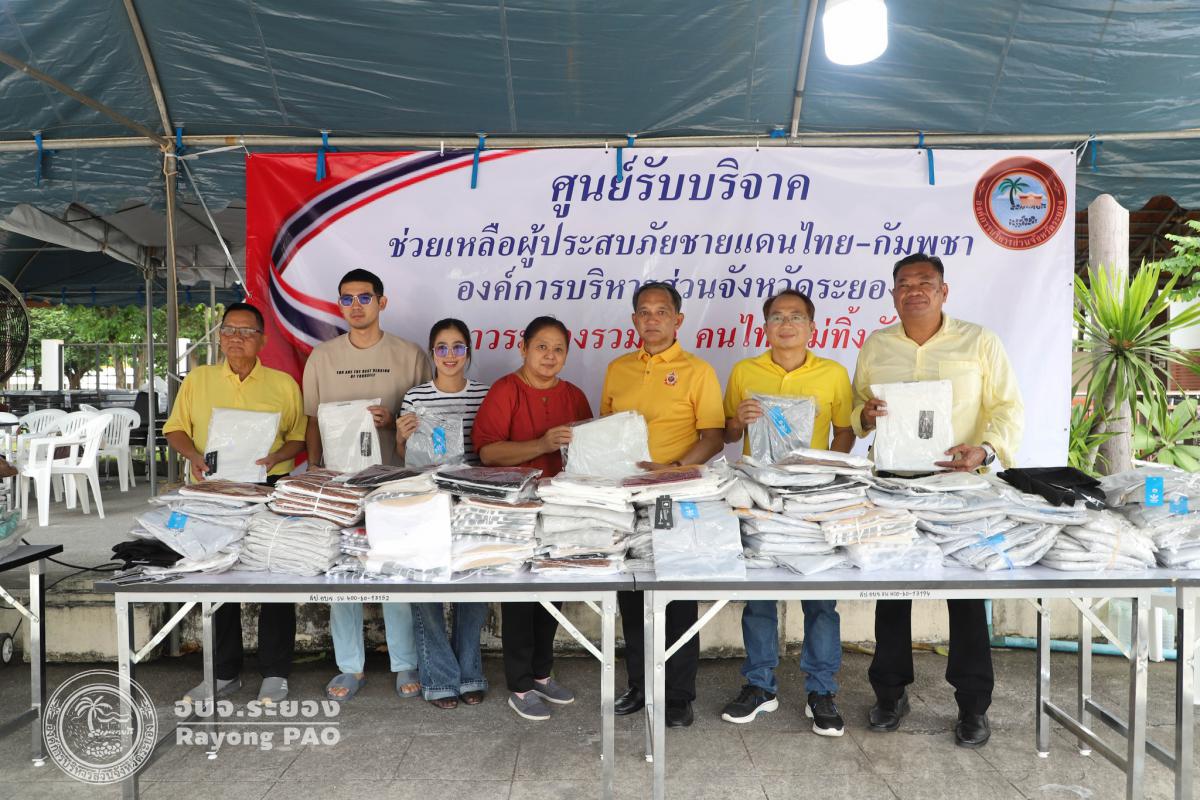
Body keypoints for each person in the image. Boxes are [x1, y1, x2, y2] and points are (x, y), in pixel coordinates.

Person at [853, 253, 1024, 748]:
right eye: (904, 284)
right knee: (892, 592)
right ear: (893, 294)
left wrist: (985, 450)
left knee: (966, 596)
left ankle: (973, 705)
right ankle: (889, 695)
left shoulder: (980, 341)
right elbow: (857, 406)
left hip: (957, 486)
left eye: (925, 283)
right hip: (894, 484)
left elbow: (1008, 407)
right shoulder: (877, 344)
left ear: (943, 291)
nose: (915, 291)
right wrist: (865, 414)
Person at [719, 289, 854, 735]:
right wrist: (738, 420)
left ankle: (822, 691)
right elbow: (728, 433)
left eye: (796, 317)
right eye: (777, 317)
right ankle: (760, 686)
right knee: (758, 597)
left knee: (821, 600)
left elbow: (845, 432)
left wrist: (829, 474)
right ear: (765, 327)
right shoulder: (745, 372)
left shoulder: (833, 374)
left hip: (812, 499)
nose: (786, 324)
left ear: (812, 327)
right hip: (760, 497)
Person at [164, 301, 307, 705]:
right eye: (228, 330)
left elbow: (297, 436)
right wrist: (194, 456)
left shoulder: (282, 384)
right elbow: (175, 429)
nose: (236, 338)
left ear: (262, 340)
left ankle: (275, 672)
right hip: (215, 489)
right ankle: (223, 672)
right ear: (220, 336)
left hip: (268, 486)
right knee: (216, 575)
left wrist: (277, 456)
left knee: (274, 574)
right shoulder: (199, 380)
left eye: (246, 332)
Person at [302, 268, 432, 703]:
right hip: (339, 482)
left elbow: (424, 418)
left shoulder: (409, 355)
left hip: (394, 479)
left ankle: (404, 661)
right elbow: (311, 420)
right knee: (342, 571)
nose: (355, 306)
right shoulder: (322, 357)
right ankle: (349, 665)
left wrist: (392, 421)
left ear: (382, 302)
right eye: (347, 299)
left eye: (364, 297)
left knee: (394, 567)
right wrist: (315, 468)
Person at [601, 282, 725, 728]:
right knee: (632, 592)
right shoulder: (617, 369)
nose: (652, 319)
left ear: (678, 320)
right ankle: (640, 685)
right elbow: (607, 432)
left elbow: (713, 436)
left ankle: (677, 695)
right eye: (644, 311)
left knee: (676, 590)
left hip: (675, 493)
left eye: (662, 311)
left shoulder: (698, 371)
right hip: (626, 495)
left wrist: (672, 469)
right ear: (634, 319)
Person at [473, 316, 592, 721]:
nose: (549, 356)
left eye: (558, 349)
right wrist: (540, 444)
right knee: (521, 597)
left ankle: (542, 673)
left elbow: (587, 453)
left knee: (553, 591)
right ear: (523, 348)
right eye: (542, 346)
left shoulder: (574, 396)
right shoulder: (506, 390)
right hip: (516, 509)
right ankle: (520, 685)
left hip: (560, 508)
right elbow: (488, 453)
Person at [398, 318, 491, 709]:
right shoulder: (415, 398)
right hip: (426, 501)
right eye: (442, 348)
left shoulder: (485, 394)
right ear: (431, 352)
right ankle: (438, 677)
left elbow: (490, 447)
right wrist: (402, 434)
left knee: (474, 586)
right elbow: (405, 454)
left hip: (473, 502)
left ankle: (469, 673)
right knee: (426, 588)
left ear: (468, 351)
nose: (450, 355)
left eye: (457, 347)